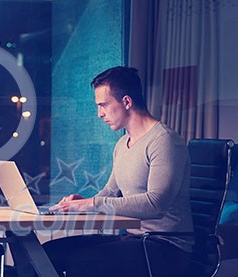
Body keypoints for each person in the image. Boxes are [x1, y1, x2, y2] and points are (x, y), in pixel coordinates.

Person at [44, 66, 193, 276]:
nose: (99, 114)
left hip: (166, 247)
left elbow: (156, 204)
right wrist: (81, 203)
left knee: (79, 262)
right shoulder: (123, 144)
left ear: (126, 102)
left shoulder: (164, 141)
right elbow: (110, 192)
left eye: (103, 105)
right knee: (48, 254)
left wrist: (93, 204)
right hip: (134, 239)